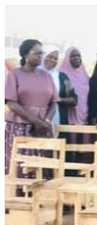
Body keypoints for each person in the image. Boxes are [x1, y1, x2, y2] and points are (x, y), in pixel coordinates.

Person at [5, 39, 57, 171]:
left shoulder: (47, 76)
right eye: (37, 53)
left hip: (42, 128)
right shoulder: (15, 74)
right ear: (25, 55)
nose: (41, 56)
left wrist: (45, 121)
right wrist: (35, 121)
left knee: (42, 168)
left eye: (41, 53)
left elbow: (54, 103)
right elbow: (11, 102)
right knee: (20, 169)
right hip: (20, 126)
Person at [41, 46, 75, 129]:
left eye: (55, 58)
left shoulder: (63, 77)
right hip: (35, 117)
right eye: (49, 57)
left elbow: (74, 100)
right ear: (42, 57)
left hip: (59, 117)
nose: (52, 60)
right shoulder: (33, 75)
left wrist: (58, 99)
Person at [60, 47, 90, 127]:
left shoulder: (85, 75)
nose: (76, 58)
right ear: (67, 58)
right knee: (71, 138)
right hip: (68, 117)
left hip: (85, 116)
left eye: (78, 55)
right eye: (73, 56)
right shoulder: (61, 75)